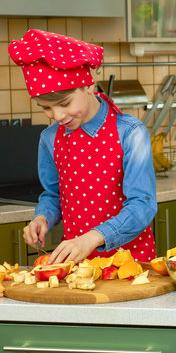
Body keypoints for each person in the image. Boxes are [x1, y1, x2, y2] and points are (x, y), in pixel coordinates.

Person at [9, 29, 157, 264]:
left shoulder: (130, 132)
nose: (56, 115)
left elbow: (142, 206)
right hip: (79, 265)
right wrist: (42, 218)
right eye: (45, 108)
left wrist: (92, 238)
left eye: (64, 103)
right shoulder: (49, 139)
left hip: (132, 264)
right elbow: (54, 195)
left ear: (88, 86)